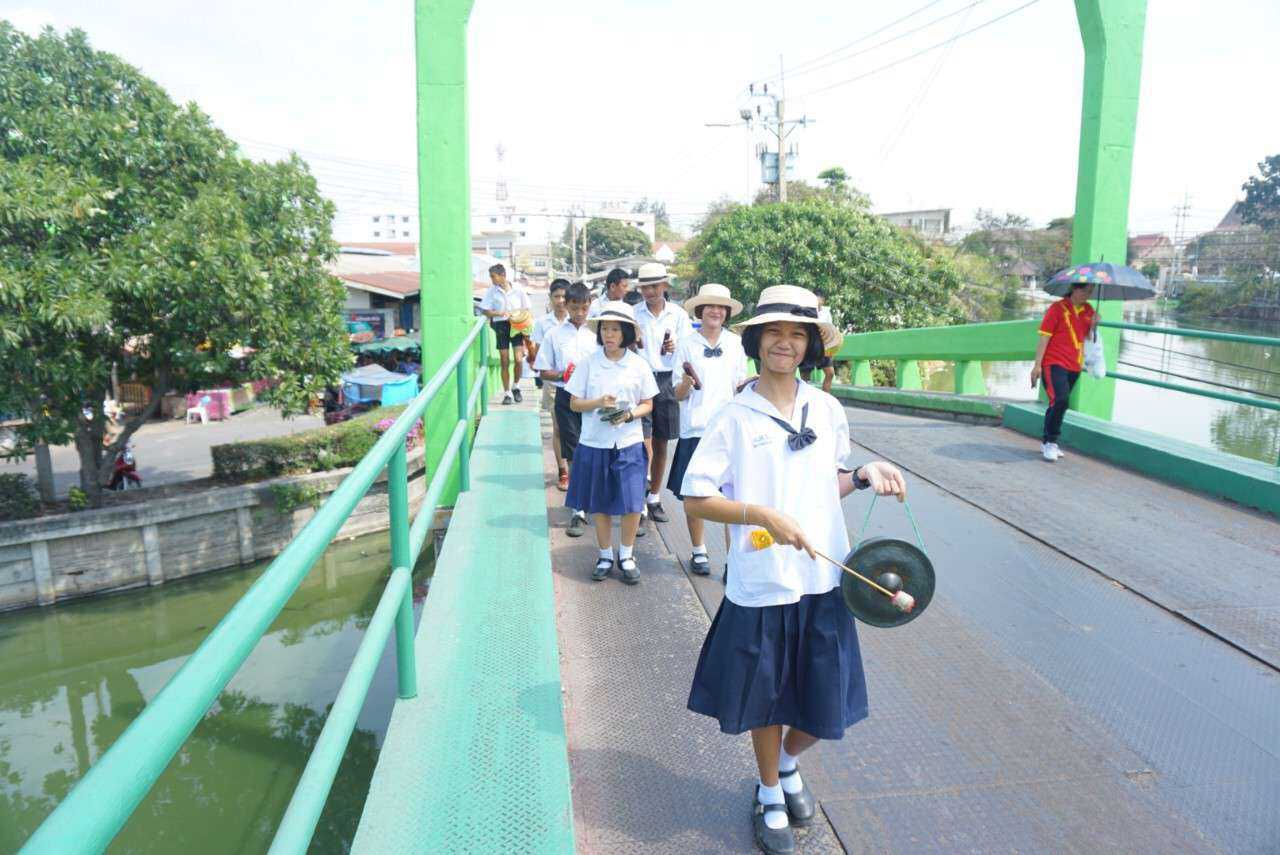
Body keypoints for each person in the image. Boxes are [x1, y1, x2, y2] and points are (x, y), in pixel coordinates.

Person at [679, 284, 907, 855]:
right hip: (763, 581)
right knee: (766, 699)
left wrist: (862, 476)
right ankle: (768, 792)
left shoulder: (827, 410)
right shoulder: (735, 416)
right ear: (757, 341)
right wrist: (761, 515)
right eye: (775, 332)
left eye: (798, 333)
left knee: (825, 700)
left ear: (811, 345)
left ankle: (785, 764)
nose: (785, 342)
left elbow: (827, 485)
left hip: (825, 579)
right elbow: (696, 497)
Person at [564, 301, 658, 584]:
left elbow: (648, 403)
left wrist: (629, 415)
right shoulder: (589, 363)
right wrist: (598, 402)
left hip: (629, 441)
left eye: (615, 329)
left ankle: (627, 555)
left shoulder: (639, 365)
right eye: (605, 329)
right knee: (600, 503)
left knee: (633, 502)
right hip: (595, 442)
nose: (609, 334)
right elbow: (574, 403)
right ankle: (605, 555)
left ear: (626, 333)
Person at [669, 283, 747, 576]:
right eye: (710, 306)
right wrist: (686, 383)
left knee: (732, 496)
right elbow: (677, 394)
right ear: (700, 310)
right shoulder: (686, 344)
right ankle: (698, 551)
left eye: (721, 307)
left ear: (727, 312)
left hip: (728, 429)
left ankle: (733, 560)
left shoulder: (736, 344)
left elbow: (740, 385)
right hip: (696, 428)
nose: (715, 311)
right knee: (695, 495)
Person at [632, 262, 693, 524]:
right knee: (642, 441)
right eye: (645, 287)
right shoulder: (633, 314)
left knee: (661, 442)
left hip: (667, 379)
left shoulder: (678, 315)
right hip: (640, 380)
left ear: (665, 285)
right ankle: (639, 501)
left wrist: (675, 345)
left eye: (654, 286)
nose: (650, 291)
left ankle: (654, 497)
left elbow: (688, 347)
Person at [535, 283, 597, 537]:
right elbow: (543, 370)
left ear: (589, 306)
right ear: (566, 305)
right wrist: (563, 374)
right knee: (574, 452)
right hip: (567, 397)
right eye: (574, 308)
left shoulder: (598, 333)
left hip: (595, 400)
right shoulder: (554, 335)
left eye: (584, 308)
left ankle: (598, 501)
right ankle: (577, 509)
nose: (579, 313)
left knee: (597, 450)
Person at [1030, 281, 1098, 461]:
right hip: (1054, 362)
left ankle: (1047, 441)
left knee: (1057, 403)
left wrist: (1094, 325)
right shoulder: (1057, 309)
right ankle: (1051, 442)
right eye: (1085, 291)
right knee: (1061, 400)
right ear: (1075, 289)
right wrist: (1037, 365)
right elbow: (1044, 337)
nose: (1087, 295)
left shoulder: (1089, 310)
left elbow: (1087, 338)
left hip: (1074, 364)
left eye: (1090, 292)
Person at [529, 279, 571, 489]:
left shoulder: (579, 321)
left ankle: (577, 470)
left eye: (564, 296)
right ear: (550, 298)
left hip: (577, 384)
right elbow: (538, 353)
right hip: (554, 381)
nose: (560, 301)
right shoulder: (543, 323)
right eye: (556, 296)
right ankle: (563, 471)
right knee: (558, 427)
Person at [478, 263, 533, 405]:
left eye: (493, 276)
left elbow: (527, 307)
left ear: (502, 275)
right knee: (504, 360)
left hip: (516, 324)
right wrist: (499, 313)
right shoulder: (492, 291)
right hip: (500, 325)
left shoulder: (518, 289)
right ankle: (507, 392)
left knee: (518, 359)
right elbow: (484, 309)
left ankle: (516, 386)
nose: (492, 279)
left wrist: (519, 316)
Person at [815, 289, 837, 394]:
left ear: (823, 300)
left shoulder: (826, 313)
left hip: (824, 347)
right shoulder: (808, 311)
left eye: (820, 299)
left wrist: (831, 350)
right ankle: (801, 399)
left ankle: (825, 398)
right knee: (805, 376)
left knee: (830, 373)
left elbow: (831, 330)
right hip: (810, 346)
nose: (818, 302)